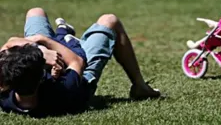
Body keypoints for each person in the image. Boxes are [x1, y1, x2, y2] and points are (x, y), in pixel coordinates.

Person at [0, 8, 160, 117]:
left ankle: (62, 35)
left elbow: (9, 45)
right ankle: (140, 86)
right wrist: (43, 41)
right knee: (110, 20)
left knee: (35, 12)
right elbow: (77, 61)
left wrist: (40, 51)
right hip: (81, 72)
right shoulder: (64, 91)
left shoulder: (5, 93)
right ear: (43, 75)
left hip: (45, 66)